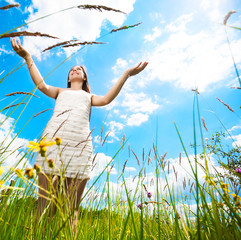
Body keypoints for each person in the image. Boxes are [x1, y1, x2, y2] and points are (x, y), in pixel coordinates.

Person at [10, 37, 148, 234]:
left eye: (79, 70)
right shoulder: (59, 91)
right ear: (69, 78)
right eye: (71, 70)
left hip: (80, 148)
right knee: (45, 207)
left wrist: (126, 74)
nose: (74, 70)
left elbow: (107, 99)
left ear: (84, 78)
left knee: (70, 210)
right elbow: (41, 85)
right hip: (52, 145)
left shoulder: (89, 97)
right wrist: (28, 58)